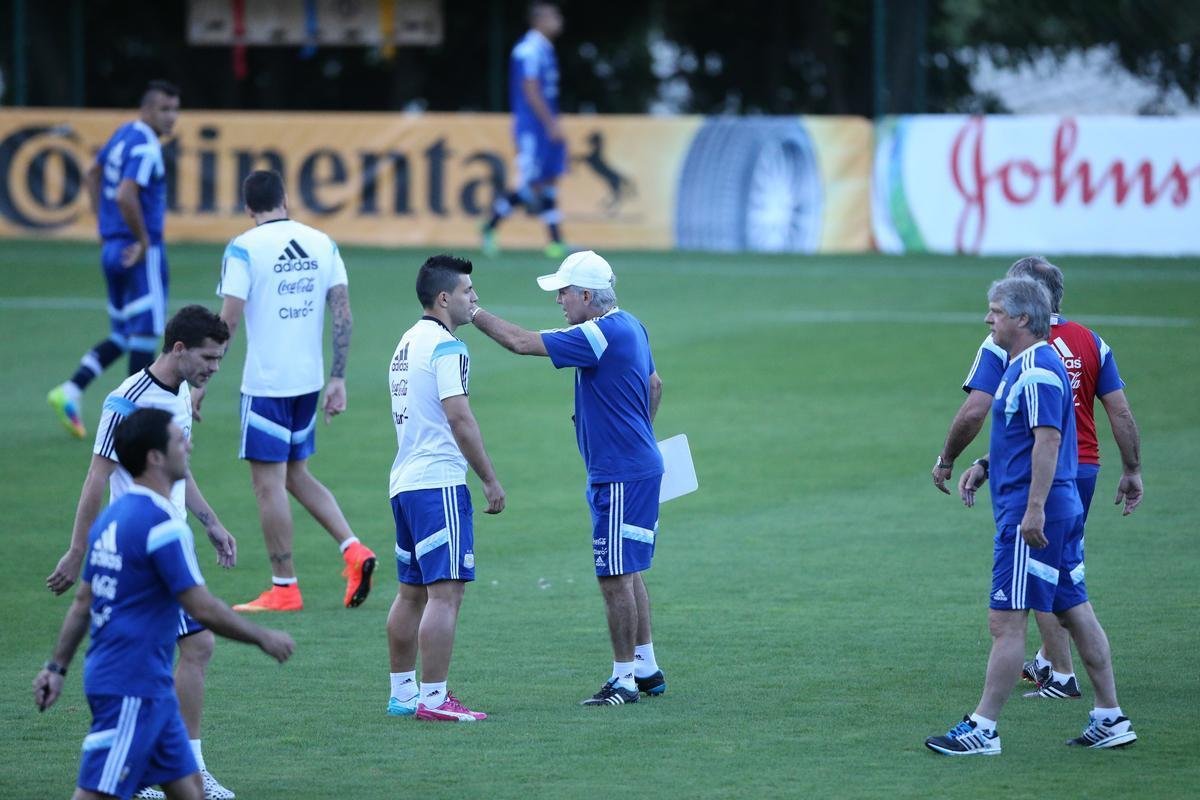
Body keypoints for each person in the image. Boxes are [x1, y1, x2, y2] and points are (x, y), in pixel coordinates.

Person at [33, 408, 295, 800]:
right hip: (131, 688)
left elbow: (82, 603)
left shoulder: (110, 519)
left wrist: (57, 668)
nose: (188, 445)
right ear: (155, 456)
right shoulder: (163, 526)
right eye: (178, 440)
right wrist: (262, 637)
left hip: (145, 687)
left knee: (190, 791)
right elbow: (202, 608)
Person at [924, 277, 1136, 756]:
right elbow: (1027, 438)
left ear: (1022, 318)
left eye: (995, 311)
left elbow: (1048, 441)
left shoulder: (1037, 369)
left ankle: (983, 728)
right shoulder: (1033, 364)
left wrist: (1034, 508)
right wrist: (984, 466)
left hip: (1031, 514)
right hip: (1053, 506)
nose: (988, 319)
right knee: (1073, 609)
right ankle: (1110, 716)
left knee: (1006, 623)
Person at [45, 305, 239, 800]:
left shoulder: (178, 396)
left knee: (182, 650)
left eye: (219, 359)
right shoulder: (126, 400)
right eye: (208, 358)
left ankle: (164, 772)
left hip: (171, 537)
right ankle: (183, 772)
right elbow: (97, 476)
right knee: (196, 645)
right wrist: (76, 549)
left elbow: (181, 469)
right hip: (141, 547)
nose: (214, 369)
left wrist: (212, 522)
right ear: (178, 349)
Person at [470, 250, 667, 706]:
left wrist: (473, 312)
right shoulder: (631, 324)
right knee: (628, 568)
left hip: (620, 473)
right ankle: (647, 667)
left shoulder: (597, 334)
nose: (558, 299)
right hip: (635, 466)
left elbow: (520, 342)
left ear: (585, 295)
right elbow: (654, 385)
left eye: (563, 291)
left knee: (613, 575)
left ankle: (623, 681)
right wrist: (639, 433)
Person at [209, 169, 376, 612]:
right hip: (309, 381)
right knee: (296, 475)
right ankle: (354, 549)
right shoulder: (323, 243)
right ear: (286, 199)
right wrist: (337, 377)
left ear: (248, 209)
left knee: (269, 487)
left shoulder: (244, 247)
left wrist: (200, 379)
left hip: (266, 384)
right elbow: (342, 314)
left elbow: (227, 320)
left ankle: (284, 587)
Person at [384, 255, 506, 722]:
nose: (475, 298)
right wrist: (489, 479)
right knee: (445, 594)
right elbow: (458, 416)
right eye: (468, 291)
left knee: (410, 592)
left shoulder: (406, 341)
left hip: (405, 482)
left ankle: (402, 693)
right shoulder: (447, 346)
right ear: (444, 298)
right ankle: (434, 700)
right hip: (438, 483)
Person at [48, 80, 181, 440]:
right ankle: (131, 420)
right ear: (148, 109)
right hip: (139, 251)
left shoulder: (124, 134)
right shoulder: (147, 147)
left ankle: (69, 391)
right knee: (147, 332)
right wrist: (140, 239)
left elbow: (92, 172)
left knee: (122, 334)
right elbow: (126, 193)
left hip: (112, 249)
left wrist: (103, 224)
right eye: (165, 109)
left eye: (175, 109)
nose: (173, 117)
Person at [480, 1, 568, 260]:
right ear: (539, 20)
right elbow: (530, 90)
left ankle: (556, 241)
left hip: (544, 125)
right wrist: (550, 123)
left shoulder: (545, 49)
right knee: (529, 182)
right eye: (554, 15)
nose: (559, 20)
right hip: (533, 128)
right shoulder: (528, 50)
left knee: (548, 180)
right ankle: (490, 225)